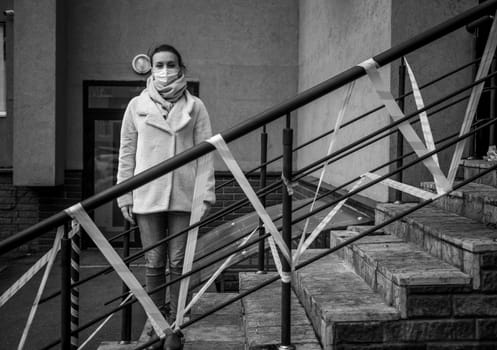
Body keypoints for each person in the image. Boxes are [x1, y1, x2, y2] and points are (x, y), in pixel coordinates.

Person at [116, 44, 215, 347]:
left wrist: (206, 194)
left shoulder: (195, 106)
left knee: (178, 262)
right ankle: (155, 322)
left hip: (184, 195)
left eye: (170, 64)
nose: (165, 70)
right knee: (154, 262)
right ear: (151, 68)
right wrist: (124, 195)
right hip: (147, 195)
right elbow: (127, 152)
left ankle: (175, 323)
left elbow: (207, 153)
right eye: (159, 64)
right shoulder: (137, 105)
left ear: (181, 67)